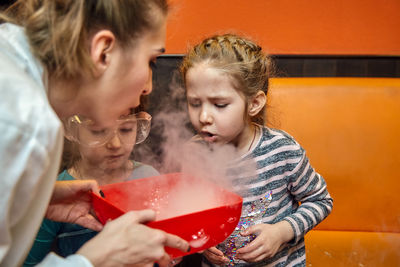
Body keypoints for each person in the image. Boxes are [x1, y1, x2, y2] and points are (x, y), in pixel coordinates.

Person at [0, 1, 189, 266]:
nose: (147, 87)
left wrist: (34, 197)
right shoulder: (25, 122)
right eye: (151, 62)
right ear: (103, 52)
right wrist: (93, 260)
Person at [179, 34, 333, 266]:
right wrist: (201, 241)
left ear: (253, 103)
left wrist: (281, 232)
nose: (203, 117)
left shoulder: (282, 150)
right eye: (195, 103)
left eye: (219, 105)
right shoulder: (193, 153)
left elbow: (321, 201)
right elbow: (191, 213)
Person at [23, 104, 161, 266]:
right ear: (70, 129)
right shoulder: (56, 198)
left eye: (126, 129)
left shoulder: (149, 177)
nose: (115, 143)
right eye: (98, 131)